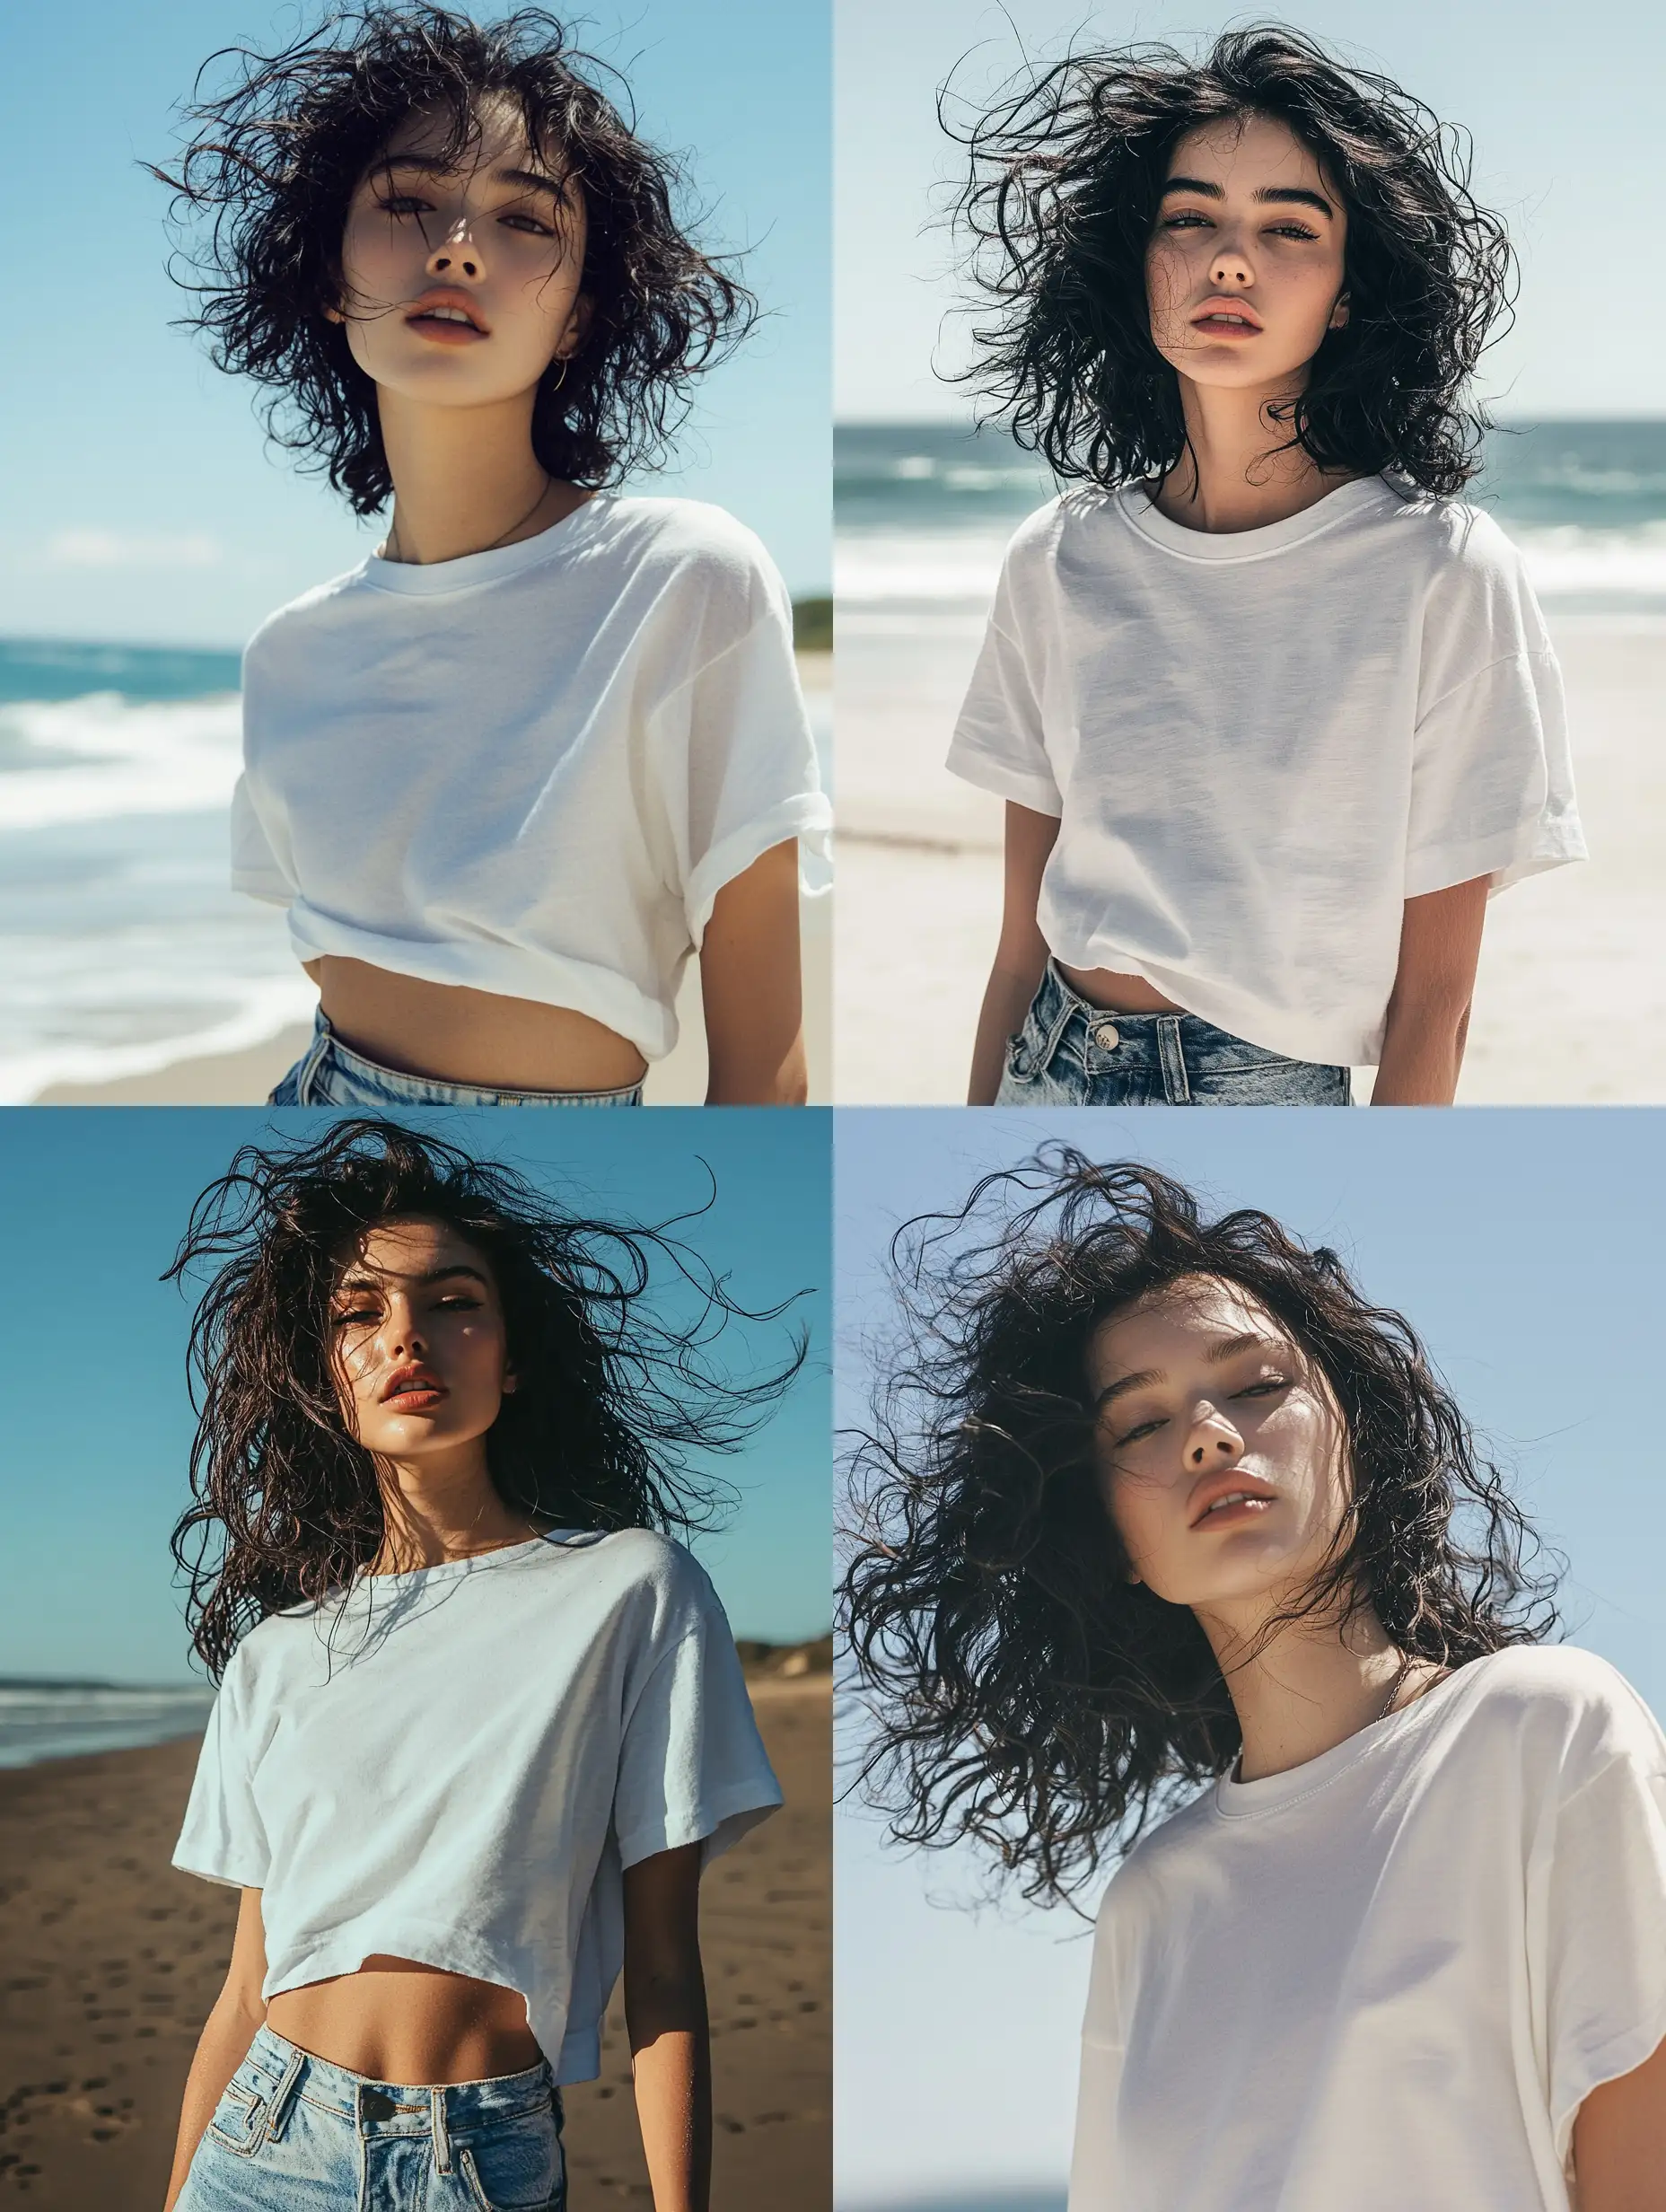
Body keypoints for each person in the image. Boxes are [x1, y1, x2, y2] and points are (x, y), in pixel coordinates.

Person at [840, 1152, 1666, 2208]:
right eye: (1140, 1423)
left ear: (1356, 1436)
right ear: (1114, 1537)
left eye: (1258, 1384)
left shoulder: (1541, 1728)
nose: (1208, 1434)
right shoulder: (1153, 1898)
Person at [154, 5, 829, 1107]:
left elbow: (763, 1070)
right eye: (408, 202)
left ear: (577, 317)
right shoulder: (290, 650)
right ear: (328, 275)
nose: (457, 245)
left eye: (524, 221)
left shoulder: (680, 576)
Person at [162, 1117, 802, 2210]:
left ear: (511, 1358)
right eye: (360, 1314)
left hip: (480, 2157)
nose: (408, 1335)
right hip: (262, 2138)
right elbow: (243, 1989)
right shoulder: (276, 1654)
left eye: (453, 1302)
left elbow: (662, 1967)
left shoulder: (630, 1588)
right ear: (328, 1378)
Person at [944, 28, 1583, 1107]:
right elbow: (1015, 950)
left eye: (1287, 228)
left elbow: (1437, 1007)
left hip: (1263, 1091)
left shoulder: (1442, 570)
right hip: (1044, 1061)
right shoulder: (1058, 557)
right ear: (1136, 260)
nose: (1227, 260)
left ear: (1346, 291)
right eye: (1188, 218)